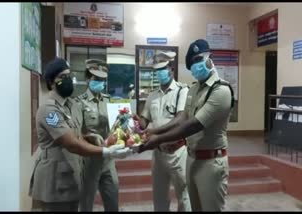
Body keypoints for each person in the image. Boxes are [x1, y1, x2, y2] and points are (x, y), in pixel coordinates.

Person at [138, 39, 234, 211]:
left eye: (199, 59)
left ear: (210, 58)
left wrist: (157, 138)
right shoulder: (194, 89)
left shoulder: (221, 91)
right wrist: (153, 135)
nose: (196, 66)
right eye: (192, 64)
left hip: (211, 162)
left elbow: (193, 125)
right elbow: (184, 119)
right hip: (192, 158)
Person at [28, 58, 132, 212]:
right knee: (84, 204)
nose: (68, 80)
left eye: (69, 76)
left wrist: (89, 137)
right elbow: (71, 142)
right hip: (54, 180)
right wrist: (105, 150)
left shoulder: (69, 105)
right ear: (51, 82)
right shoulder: (49, 110)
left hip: (70, 175)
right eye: (62, 77)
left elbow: (77, 134)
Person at [133, 51, 191, 211]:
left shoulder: (182, 91)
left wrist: (154, 132)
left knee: (184, 198)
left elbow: (180, 120)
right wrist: (137, 121)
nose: (160, 73)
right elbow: (145, 121)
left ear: (171, 69)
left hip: (178, 153)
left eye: (163, 69)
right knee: (159, 199)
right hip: (158, 154)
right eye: (157, 70)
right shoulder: (152, 95)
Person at [76, 59, 120, 212]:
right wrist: (89, 135)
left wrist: (123, 121)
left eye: (102, 80)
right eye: (96, 79)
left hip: (108, 160)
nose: (100, 83)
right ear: (87, 80)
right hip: (89, 161)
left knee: (112, 200)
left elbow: (116, 127)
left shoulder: (109, 101)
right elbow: (76, 133)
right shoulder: (79, 103)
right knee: (87, 203)